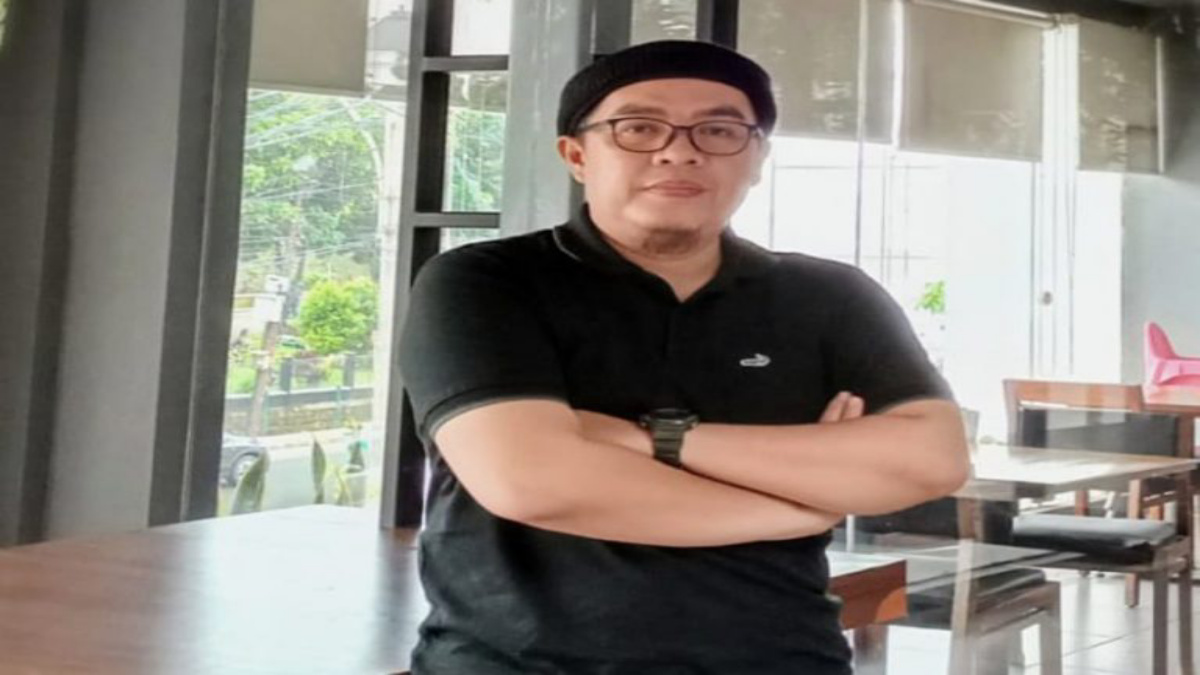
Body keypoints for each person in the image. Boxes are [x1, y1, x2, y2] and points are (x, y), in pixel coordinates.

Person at [398, 39, 969, 675]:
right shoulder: (486, 282)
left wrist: (653, 440)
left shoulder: (831, 295)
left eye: (719, 130)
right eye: (639, 128)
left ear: (757, 159)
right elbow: (530, 481)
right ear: (577, 155)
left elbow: (932, 460)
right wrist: (795, 508)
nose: (679, 150)